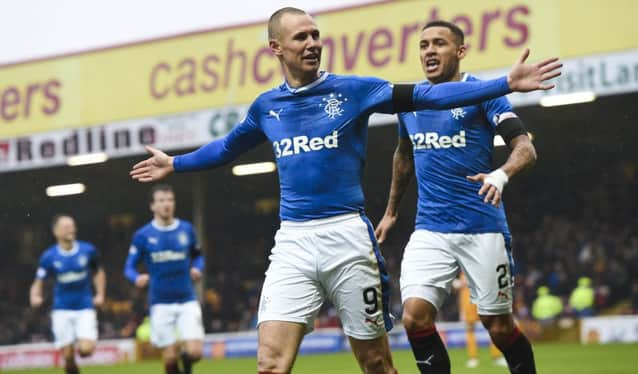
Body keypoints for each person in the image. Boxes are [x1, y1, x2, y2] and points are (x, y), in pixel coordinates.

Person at [129, 8, 561, 374]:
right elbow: (226, 148)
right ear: (276, 48)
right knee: (269, 363)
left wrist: (504, 83)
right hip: (292, 241)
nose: (313, 43)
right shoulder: (267, 107)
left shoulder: (355, 89)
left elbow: (428, 98)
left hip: (349, 237)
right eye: (301, 37)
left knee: (375, 362)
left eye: (316, 35)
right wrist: (176, 163)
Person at [375, 20, 543, 373]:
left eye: (439, 43)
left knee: (497, 327)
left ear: (461, 52)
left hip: (482, 227)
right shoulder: (411, 101)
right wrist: (391, 211)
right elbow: (404, 154)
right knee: (414, 318)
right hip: (430, 229)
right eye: (423, 45)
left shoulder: (484, 93)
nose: (429, 51)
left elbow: (525, 147)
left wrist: (501, 173)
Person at [124, 184, 205, 374]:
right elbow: (128, 267)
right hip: (160, 302)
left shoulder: (186, 230)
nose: (166, 204)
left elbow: (199, 256)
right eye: (161, 200)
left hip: (187, 299)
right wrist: (136, 278)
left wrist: (197, 268)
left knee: (195, 352)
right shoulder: (143, 235)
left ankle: (186, 363)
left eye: (170, 200)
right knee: (169, 356)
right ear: (152, 206)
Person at [29, 214, 106, 374]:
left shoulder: (88, 250)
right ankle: (70, 355)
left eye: (72, 225)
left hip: (84, 306)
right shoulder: (49, 257)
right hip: (61, 308)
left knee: (86, 350)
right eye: (65, 227)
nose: (70, 229)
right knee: (68, 356)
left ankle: (79, 346)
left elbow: (98, 272)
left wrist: (100, 294)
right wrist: (35, 296)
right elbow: (38, 281)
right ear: (56, 232)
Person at [455, 273, 507, 368]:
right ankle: (473, 358)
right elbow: (459, 286)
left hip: (484, 298)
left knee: (493, 326)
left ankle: (496, 356)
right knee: (470, 329)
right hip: (469, 301)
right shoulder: (463, 269)